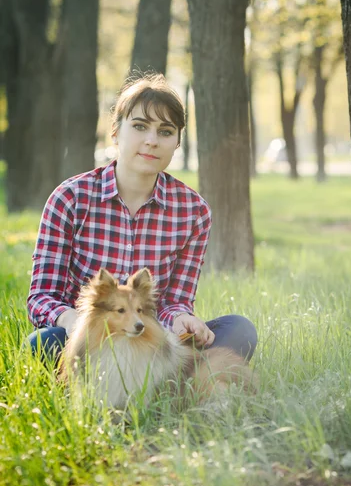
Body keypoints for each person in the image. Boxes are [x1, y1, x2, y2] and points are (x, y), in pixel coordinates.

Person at [27, 73, 257, 362]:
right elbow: (41, 298)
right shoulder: (70, 198)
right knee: (42, 343)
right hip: (87, 342)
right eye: (139, 126)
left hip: (150, 344)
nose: (151, 141)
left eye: (165, 131)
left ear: (176, 143)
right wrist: (73, 320)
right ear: (115, 131)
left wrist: (180, 319)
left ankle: (169, 385)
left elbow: (174, 301)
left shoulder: (193, 211)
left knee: (239, 330)